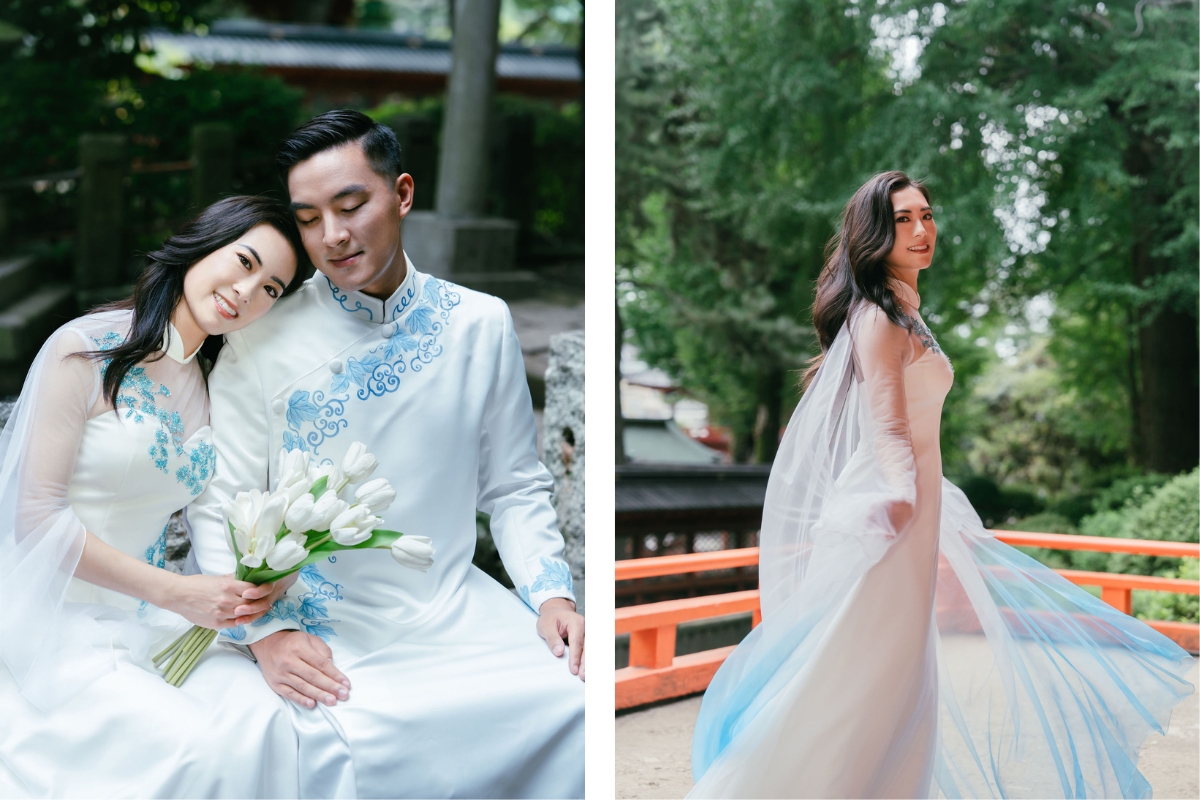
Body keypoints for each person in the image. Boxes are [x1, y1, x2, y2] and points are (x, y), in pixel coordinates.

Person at [687, 171, 1196, 798]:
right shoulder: (877, 317)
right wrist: (900, 498)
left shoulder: (907, 309)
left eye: (927, 215)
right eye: (903, 220)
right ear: (875, 233)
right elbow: (889, 428)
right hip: (891, 512)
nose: (922, 230)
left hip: (915, 507)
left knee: (901, 670)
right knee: (858, 667)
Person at [188, 110, 585, 799]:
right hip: (316, 620)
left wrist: (551, 593)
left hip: (451, 607)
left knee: (573, 703)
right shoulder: (261, 337)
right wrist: (266, 633)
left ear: (401, 194)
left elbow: (515, 486)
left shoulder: (480, 322)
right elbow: (220, 499)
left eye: (351, 206)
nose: (332, 235)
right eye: (309, 219)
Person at [0, 195, 307, 797]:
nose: (248, 293)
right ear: (202, 243)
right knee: (193, 749)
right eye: (243, 263)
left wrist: (274, 572)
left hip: (146, 619)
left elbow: (220, 510)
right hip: (51, 618)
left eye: (271, 289)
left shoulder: (212, 384)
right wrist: (177, 591)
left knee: (266, 720)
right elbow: (34, 518)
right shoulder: (86, 349)